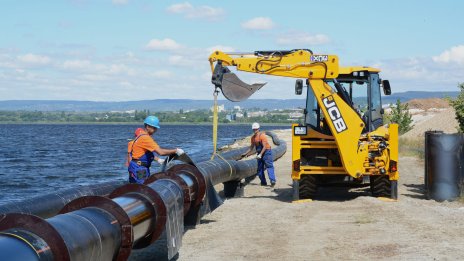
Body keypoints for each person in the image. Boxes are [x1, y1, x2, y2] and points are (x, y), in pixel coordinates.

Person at [127, 116, 184, 184]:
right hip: (140, 169)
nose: (155, 130)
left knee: (137, 187)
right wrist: (176, 151)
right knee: (142, 189)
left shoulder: (141, 136)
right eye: (154, 128)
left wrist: (158, 160)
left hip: (137, 167)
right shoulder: (145, 138)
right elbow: (161, 152)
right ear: (147, 126)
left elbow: (144, 154)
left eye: (156, 128)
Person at [241, 122, 276, 187]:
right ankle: (263, 182)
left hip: (266, 152)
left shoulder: (262, 136)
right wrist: (246, 153)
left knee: (269, 166)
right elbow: (251, 147)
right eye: (254, 129)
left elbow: (265, 146)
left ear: (258, 129)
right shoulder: (253, 138)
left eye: (256, 129)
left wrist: (260, 155)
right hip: (260, 153)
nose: (255, 130)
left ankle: (272, 180)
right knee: (260, 168)